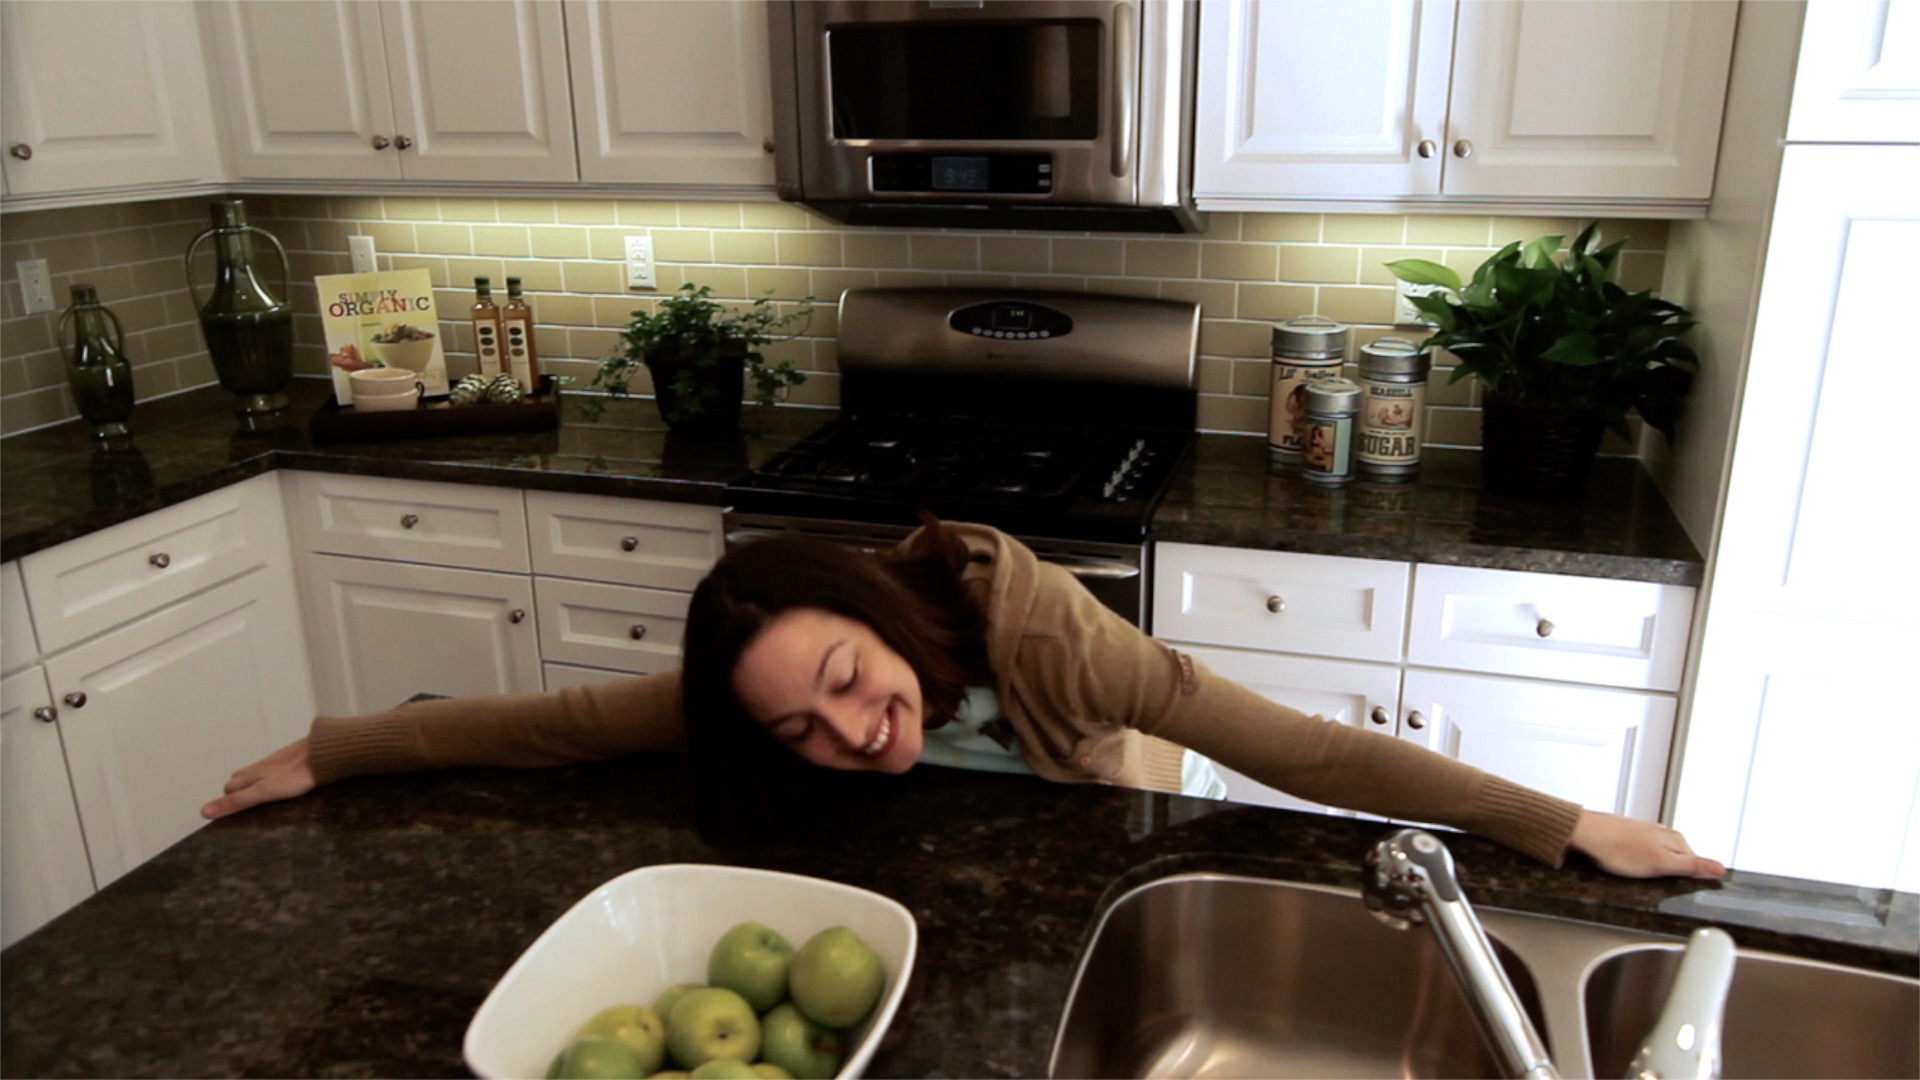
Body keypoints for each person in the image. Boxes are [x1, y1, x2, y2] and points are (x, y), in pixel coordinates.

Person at [204, 520, 1725, 880]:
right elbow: (549, 726)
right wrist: (332, 749)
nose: (852, 735)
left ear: (879, 619)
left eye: (852, 688)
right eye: (804, 730)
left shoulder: (1053, 645)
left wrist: (1568, 825)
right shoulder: (761, 700)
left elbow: (1306, 746)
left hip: (1086, 853)